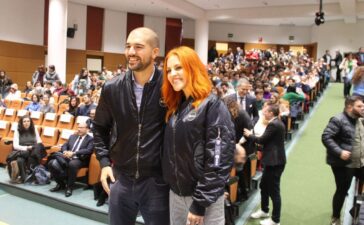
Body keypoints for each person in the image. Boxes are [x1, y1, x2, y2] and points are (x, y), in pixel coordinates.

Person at [93, 27, 169, 225]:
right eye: (128, 46)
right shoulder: (111, 87)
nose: (131, 52)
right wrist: (103, 163)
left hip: (158, 182)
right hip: (122, 179)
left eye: (138, 47)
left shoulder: (170, 87)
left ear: (154, 52)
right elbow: (100, 128)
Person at [162, 46, 235, 225]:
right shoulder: (176, 107)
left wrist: (200, 203)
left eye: (178, 67)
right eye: (169, 70)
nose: (172, 74)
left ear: (192, 68)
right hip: (176, 195)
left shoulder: (213, 106)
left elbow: (218, 159)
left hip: (202, 200)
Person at [321, 96, 364, 225]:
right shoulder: (338, 120)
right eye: (360, 106)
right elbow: (326, 137)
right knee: (342, 190)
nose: (363, 108)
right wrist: (339, 152)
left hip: (360, 162)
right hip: (344, 164)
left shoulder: (360, 119)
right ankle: (335, 218)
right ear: (349, 107)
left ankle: (356, 211)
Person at [244, 104, 286, 225]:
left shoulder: (274, 124)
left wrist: (249, 135)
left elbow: (262, 140)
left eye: (265, 112)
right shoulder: (277, 122)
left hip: (275, 162)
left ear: (271, 113)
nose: (263, 113)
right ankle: (264, 210)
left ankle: (275, 220)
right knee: (264, 186)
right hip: (272, 160)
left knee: (274, 191)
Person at [48, 122, 93, 197]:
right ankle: (60, 184)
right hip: (67, 157)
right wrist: (65, 151)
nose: (79, 129)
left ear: (87, 129)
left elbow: (88, 150)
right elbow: (64, 145)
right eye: (78, 127)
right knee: (51, 163)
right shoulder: (72, 136)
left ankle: (69, 187)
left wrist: (74, 153)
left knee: (72, 164)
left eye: (81, 128)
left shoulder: (90, 139)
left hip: (80, 159)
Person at [7, 115, 43, 183]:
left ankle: (22, 177)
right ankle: (23, 178)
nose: (26, 123)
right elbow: (15, 145)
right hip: (22, 149)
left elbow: (39, 141)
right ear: (21, 123)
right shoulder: (17, 130)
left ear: (30, 122)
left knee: (21, 159)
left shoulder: (34, 128)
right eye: (24, 121)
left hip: (33, 150)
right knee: (20, 160)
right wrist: (26, 148)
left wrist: (34, 146)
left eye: (28, 121)